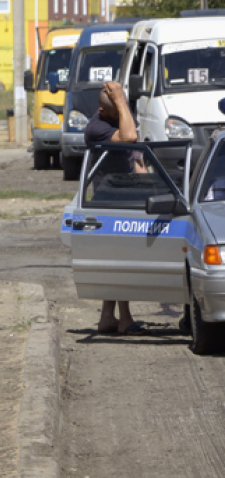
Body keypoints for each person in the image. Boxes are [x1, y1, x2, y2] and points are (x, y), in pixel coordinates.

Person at [84, 81, 147, 336]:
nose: (124, 114)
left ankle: (107, 318)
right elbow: (129, 138)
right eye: (119, 110)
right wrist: (121, 101)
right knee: (122, 260)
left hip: (127, 195)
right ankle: (125, 320)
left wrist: (150, 188)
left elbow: (136, 156)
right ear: (103, 110)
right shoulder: (97, 127)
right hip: (109, 201)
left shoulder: (121, 118)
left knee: (116, 259)